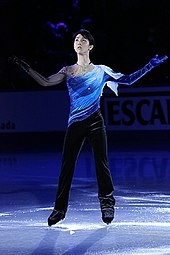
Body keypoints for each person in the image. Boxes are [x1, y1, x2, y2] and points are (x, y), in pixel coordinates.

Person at [12, 29, 168, 226]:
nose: (78, 42)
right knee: (66, 167)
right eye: (76, 39)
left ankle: (107, 204)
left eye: (83, 40)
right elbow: (45, 82)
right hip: (75, 124)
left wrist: (149, 67)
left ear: (90, 46)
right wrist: (26, 68)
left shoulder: (101, 70)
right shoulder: (67, 70)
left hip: (95, 121)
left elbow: (127, 80)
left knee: (101, 164)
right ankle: (59, 210)